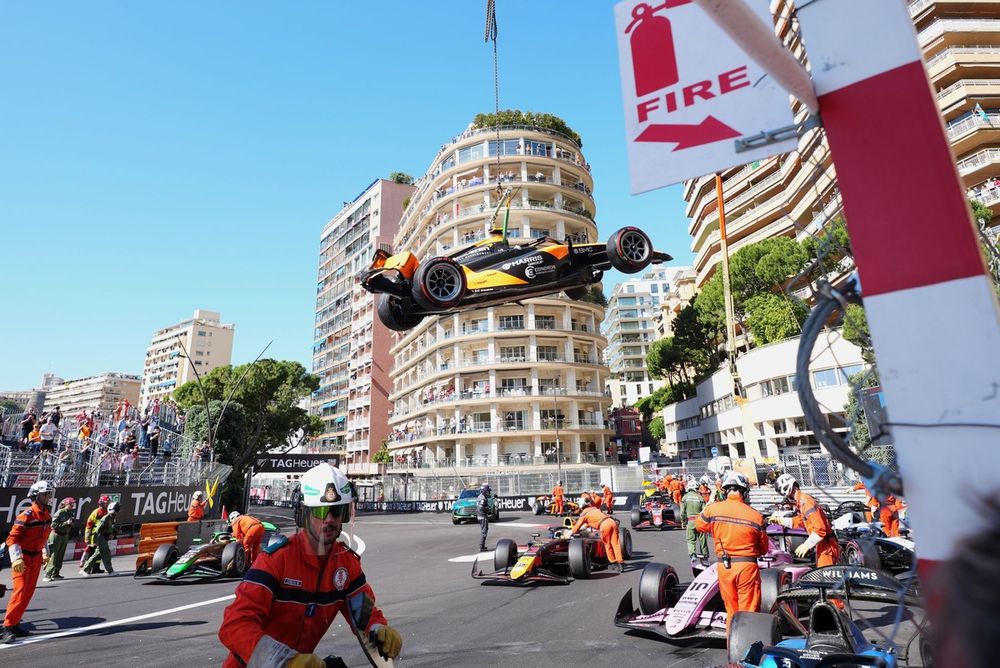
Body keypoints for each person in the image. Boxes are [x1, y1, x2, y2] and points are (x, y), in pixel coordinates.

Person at [218, 463, 402, 667]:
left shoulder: (347, 565)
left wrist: (379, 630)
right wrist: (284, 661)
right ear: (303, 514)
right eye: (320, 511)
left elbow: (365, 617)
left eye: (336, 510)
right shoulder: (276, 560)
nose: (329, 520)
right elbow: (234, 624)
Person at [695, 471, 769, 630]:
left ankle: (732, 642)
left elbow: (699, 525)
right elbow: (764, 549)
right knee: (748, 611)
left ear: (725, 490)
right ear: (744, 491)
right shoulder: (756, 516)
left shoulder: (713, 510)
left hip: (725, 567)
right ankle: (747, 643)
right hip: (747, 568)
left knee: (731, 611)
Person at [2, 480, 53, 643]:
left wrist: (44, 553)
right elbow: (12, 539)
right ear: (36, 496)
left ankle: (15, 623)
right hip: (22, 558)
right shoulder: (26, 515)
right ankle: (7, 627)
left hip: (36, 558)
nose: (48, 497)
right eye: (45, 494)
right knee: (20, 590)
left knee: (28, 592)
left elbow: (44, 537)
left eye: (49, 494)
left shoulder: (47, 515)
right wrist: (16, 558)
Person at [769, 473, 841, 566]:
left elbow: (820, 530)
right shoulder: (802, 502)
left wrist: (806, 545)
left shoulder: (806, 502)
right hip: (823, 545)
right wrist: (781, 521)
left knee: (826, 574)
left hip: (827, 547)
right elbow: (801, 521)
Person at [570, 493, 624, 572]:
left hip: (604, 525)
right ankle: (620, 562)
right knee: (616, 544)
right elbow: (592, 521)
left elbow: (577, 527)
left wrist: (570, 532)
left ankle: (613, 562)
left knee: (607, 544)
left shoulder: (584, 514)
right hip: (612, 522)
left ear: (581, 506)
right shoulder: (594, 509)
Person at [44, 497, 76, 581]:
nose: (72, 506)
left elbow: (72, 524)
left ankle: (56, 573)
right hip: (56, 535)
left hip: (64, 535)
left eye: (73, 504)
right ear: (66, 504)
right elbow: (53, 525)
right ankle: (47, 574)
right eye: (71, 504)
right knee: (54, 555)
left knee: (60, 555)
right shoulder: (60, 512)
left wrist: (71, 524)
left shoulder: (71, 513)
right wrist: (66, 523)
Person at [83, 501, 119, 576]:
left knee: (96, 555)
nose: (117, 511)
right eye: (116, 509)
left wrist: (115, 532)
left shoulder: (111, 518)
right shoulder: (105, 518)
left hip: (104, 538)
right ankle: (110, 571)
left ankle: (84, 569)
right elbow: (97, 530)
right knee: (106, 554)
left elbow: (110, 528)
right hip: (101, 538)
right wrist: (95, 540)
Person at [680, 478, 709, 562]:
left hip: (690, 522)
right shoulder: (700, 498)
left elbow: (682, 512)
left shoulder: (685, 497)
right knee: (703, 540)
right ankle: (705, 556)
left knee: (691, 540)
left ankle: (693, 555)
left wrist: (683, 522)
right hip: (700, 522)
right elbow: (705, 511)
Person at [80, 495, 110, 574]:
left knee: (99, 553)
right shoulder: (96, 512)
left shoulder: (107, 512)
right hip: (94, 536)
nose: (107, 504)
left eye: (108, 502)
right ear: (101, 503)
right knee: (92, 553)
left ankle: (96, 568)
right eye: (106, 503)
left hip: (102, 536)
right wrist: (87, 537)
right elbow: (89, 525)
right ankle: (88, 569)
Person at [476, 483, 492, 552]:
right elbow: (481, 507)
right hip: (482, 516)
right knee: (484, 531)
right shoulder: (482, 498)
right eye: (488, 491)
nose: (489, 492)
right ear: (485, 491)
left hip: (480, 516)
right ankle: (481, 546)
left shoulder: (480, 496)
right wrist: (487, 508)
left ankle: (482, 545)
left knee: (484, 530)